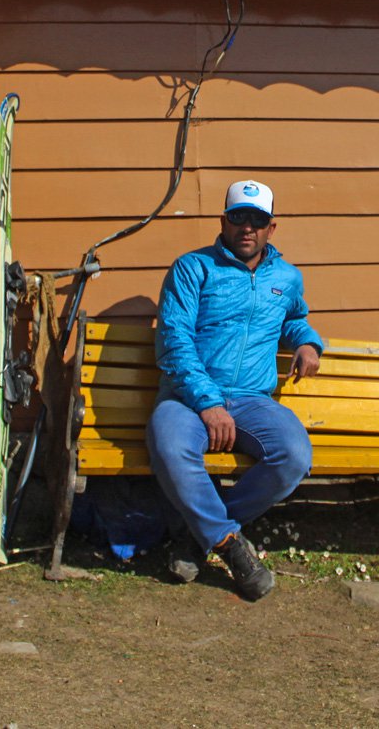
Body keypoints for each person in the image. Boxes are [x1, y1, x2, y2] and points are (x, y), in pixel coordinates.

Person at [147, 180, 322, 600]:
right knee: (170, 447)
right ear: (223, 221)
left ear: (272, 227)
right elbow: (174, 339)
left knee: (294, 456)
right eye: (239, 217)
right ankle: (230, 545)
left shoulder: (286, 277)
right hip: (186, 396)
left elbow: (292, 318)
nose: (248, 227)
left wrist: (307, 341)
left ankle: (199, 535)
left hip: (252, 399)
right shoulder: (192, 268)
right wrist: (207, 403)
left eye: (258, 219)